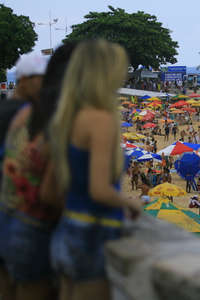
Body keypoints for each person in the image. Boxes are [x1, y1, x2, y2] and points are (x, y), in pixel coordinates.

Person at [48, 40, 141, 300]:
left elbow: (52, 189)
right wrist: (131, 204)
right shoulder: (101, 120)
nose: (124, 75)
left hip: (68, 228)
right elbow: (99, 190)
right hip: (94, 232)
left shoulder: (68, 117)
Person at [0, 48, 70, 300]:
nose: (45, 84)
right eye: (40, 78)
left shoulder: (17, 112)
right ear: (24, 80)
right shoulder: (25, 115)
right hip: (25, 216)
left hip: (10, 212)